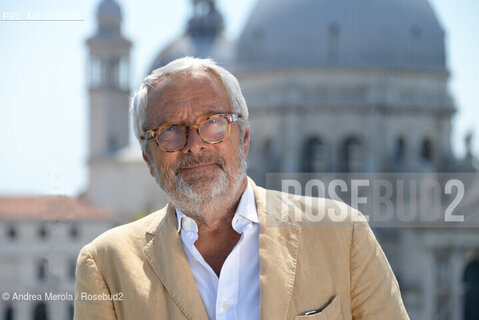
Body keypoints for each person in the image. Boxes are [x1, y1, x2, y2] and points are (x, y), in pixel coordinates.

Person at [74, 57, 409, 320]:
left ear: (245, 139)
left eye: (214, 123)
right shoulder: (105, 264)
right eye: (170, 131)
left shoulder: (343, 233)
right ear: (148, 159)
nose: (195, 145)